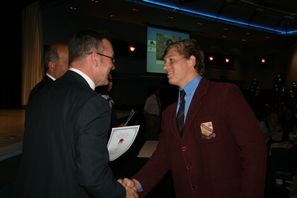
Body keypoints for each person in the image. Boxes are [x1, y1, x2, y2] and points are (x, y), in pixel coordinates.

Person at [124, 39, 267, 198]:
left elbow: (254, 150)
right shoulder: (169, 113)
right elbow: (163, 156)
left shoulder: (225, 94)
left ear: (191, 60)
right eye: (164, 62)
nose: (165, 66)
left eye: (171, 60)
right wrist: (137, 184)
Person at [13, 30, 137, 198]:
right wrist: (122, 193)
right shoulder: (94, 103)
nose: (113, 66)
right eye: (111, 59)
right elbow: (92, 176)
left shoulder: (39, 94)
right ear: (95, 58)